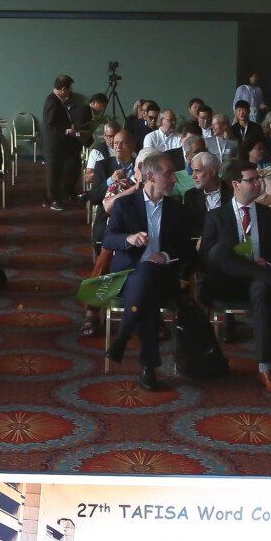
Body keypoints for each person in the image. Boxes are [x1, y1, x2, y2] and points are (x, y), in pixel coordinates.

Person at [199, 159, 271, 394]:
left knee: (262, 287)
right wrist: (240, 261)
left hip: (260, 282)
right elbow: (206, 258)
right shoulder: (216, 216)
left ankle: (265, 369)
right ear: (236, 184)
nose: (258, 183)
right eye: (251, 180)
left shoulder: (270, 216)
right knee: (218, 251)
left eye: (259, 179)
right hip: (226, 283)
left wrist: (269, 264)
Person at [101, 153, 197, 391]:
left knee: (149, 277)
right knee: (147, 284)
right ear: (151, 176)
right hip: (128, 278)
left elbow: (187, 250)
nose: (175, 179)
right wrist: (129, 239)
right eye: (169, 173)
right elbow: (108, 240)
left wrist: (164, 255)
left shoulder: (177, 210)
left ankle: (125, 335)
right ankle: (148, 366)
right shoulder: (125, 205)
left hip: (164, 277)